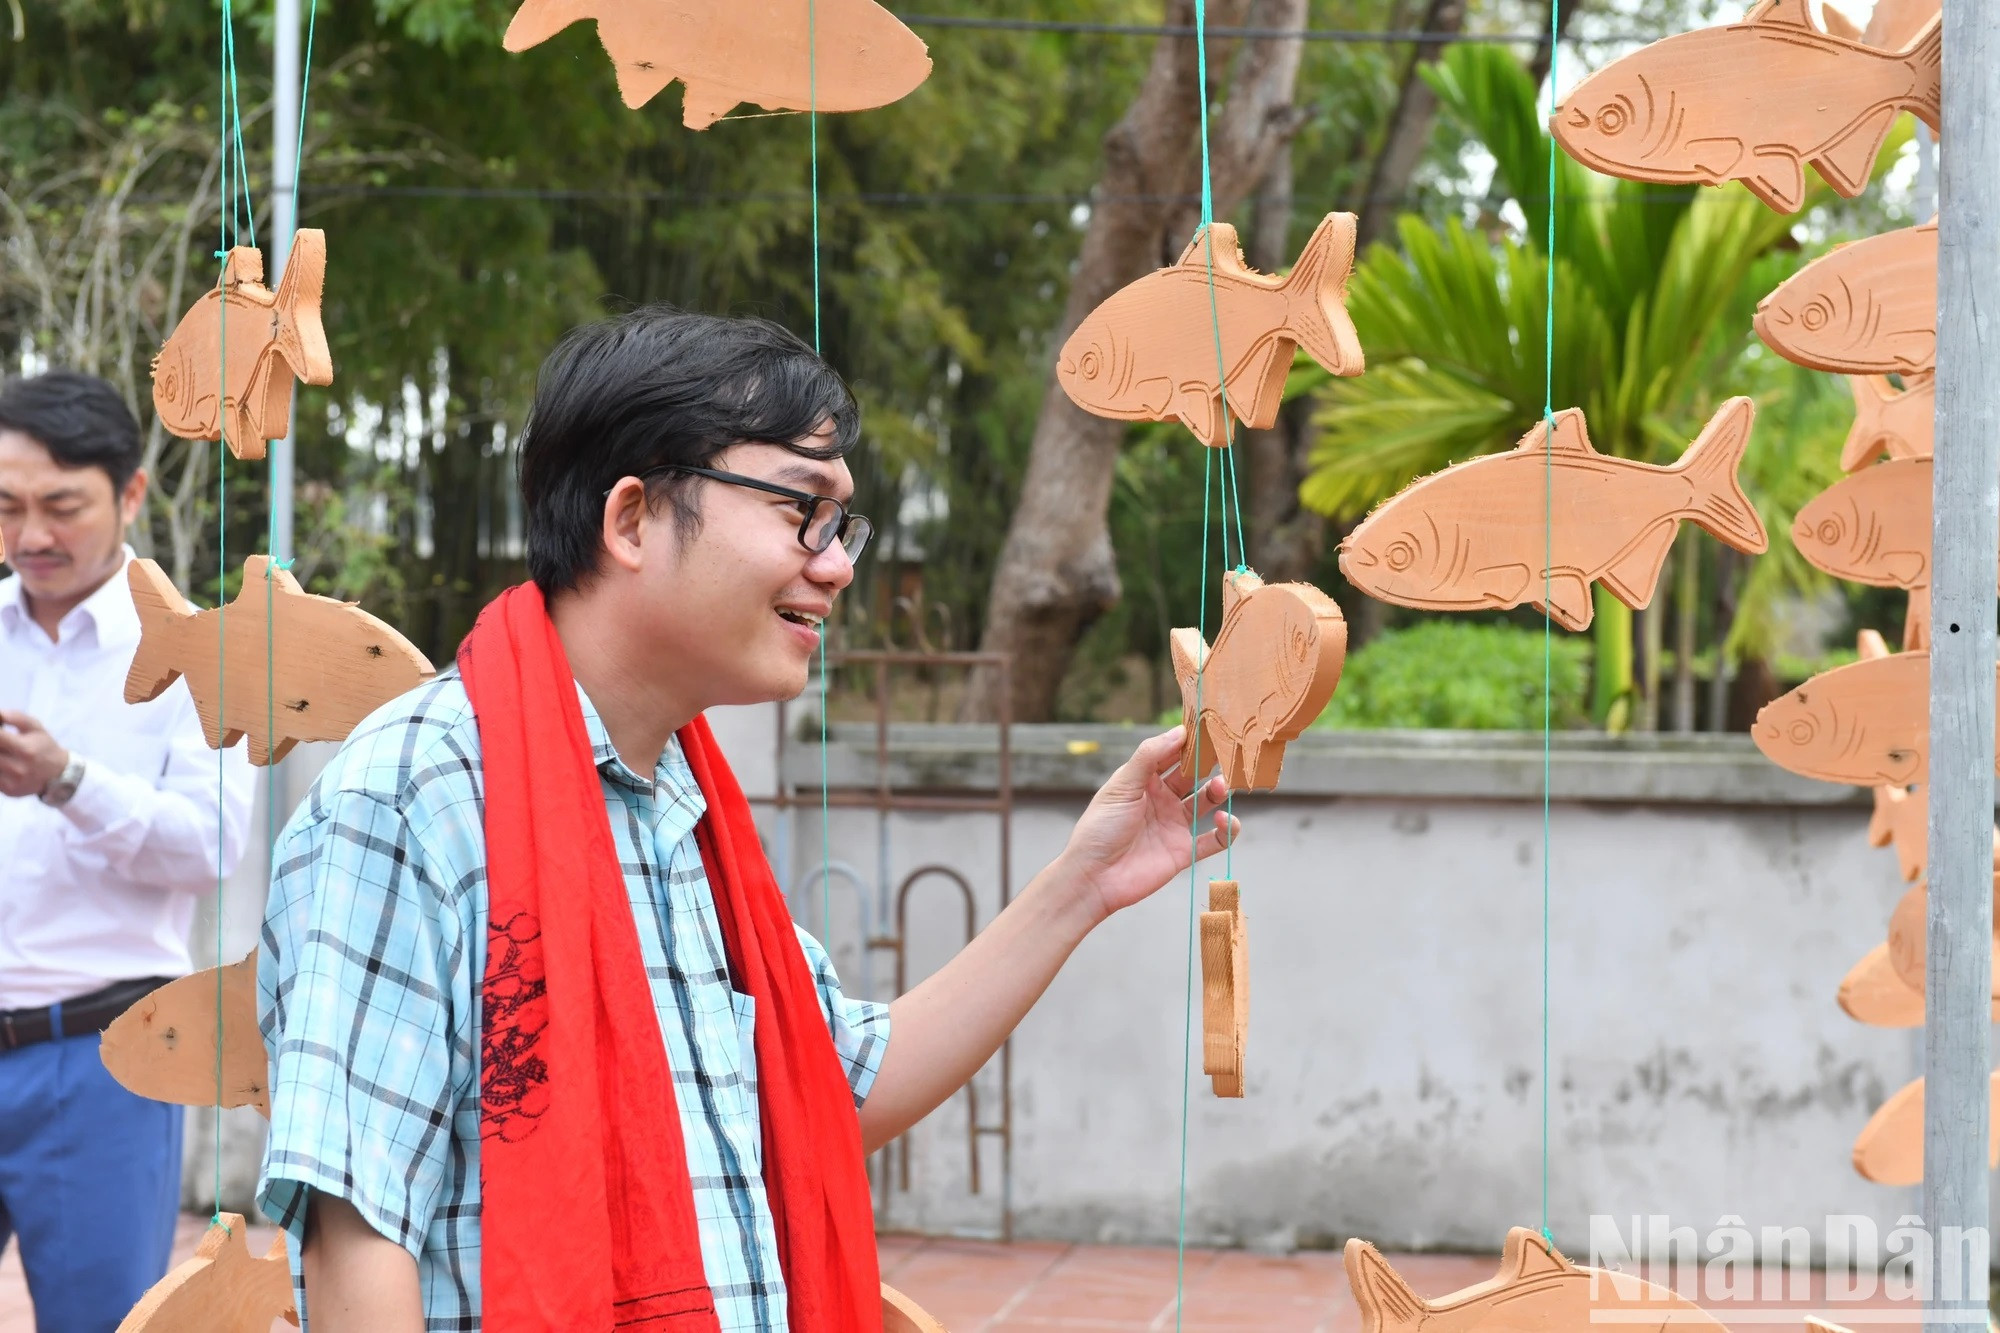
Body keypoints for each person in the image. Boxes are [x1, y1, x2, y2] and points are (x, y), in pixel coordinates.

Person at [256, 307, 1238, 1333]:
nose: (837, 564)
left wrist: (1083, 884)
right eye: (802, 509)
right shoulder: (415, 797)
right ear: (631, 519)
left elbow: (833, 1084)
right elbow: (359, 1227)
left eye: (842, 524)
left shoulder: (683, 804)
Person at [0, 370, 257, 1333]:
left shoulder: (197, 654)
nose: (32, 534)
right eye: (7, 507)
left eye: (62, 506)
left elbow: (209, 845)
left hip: (105, 1059)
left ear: (131, 493)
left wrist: (66, 779)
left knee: (100, 1321)